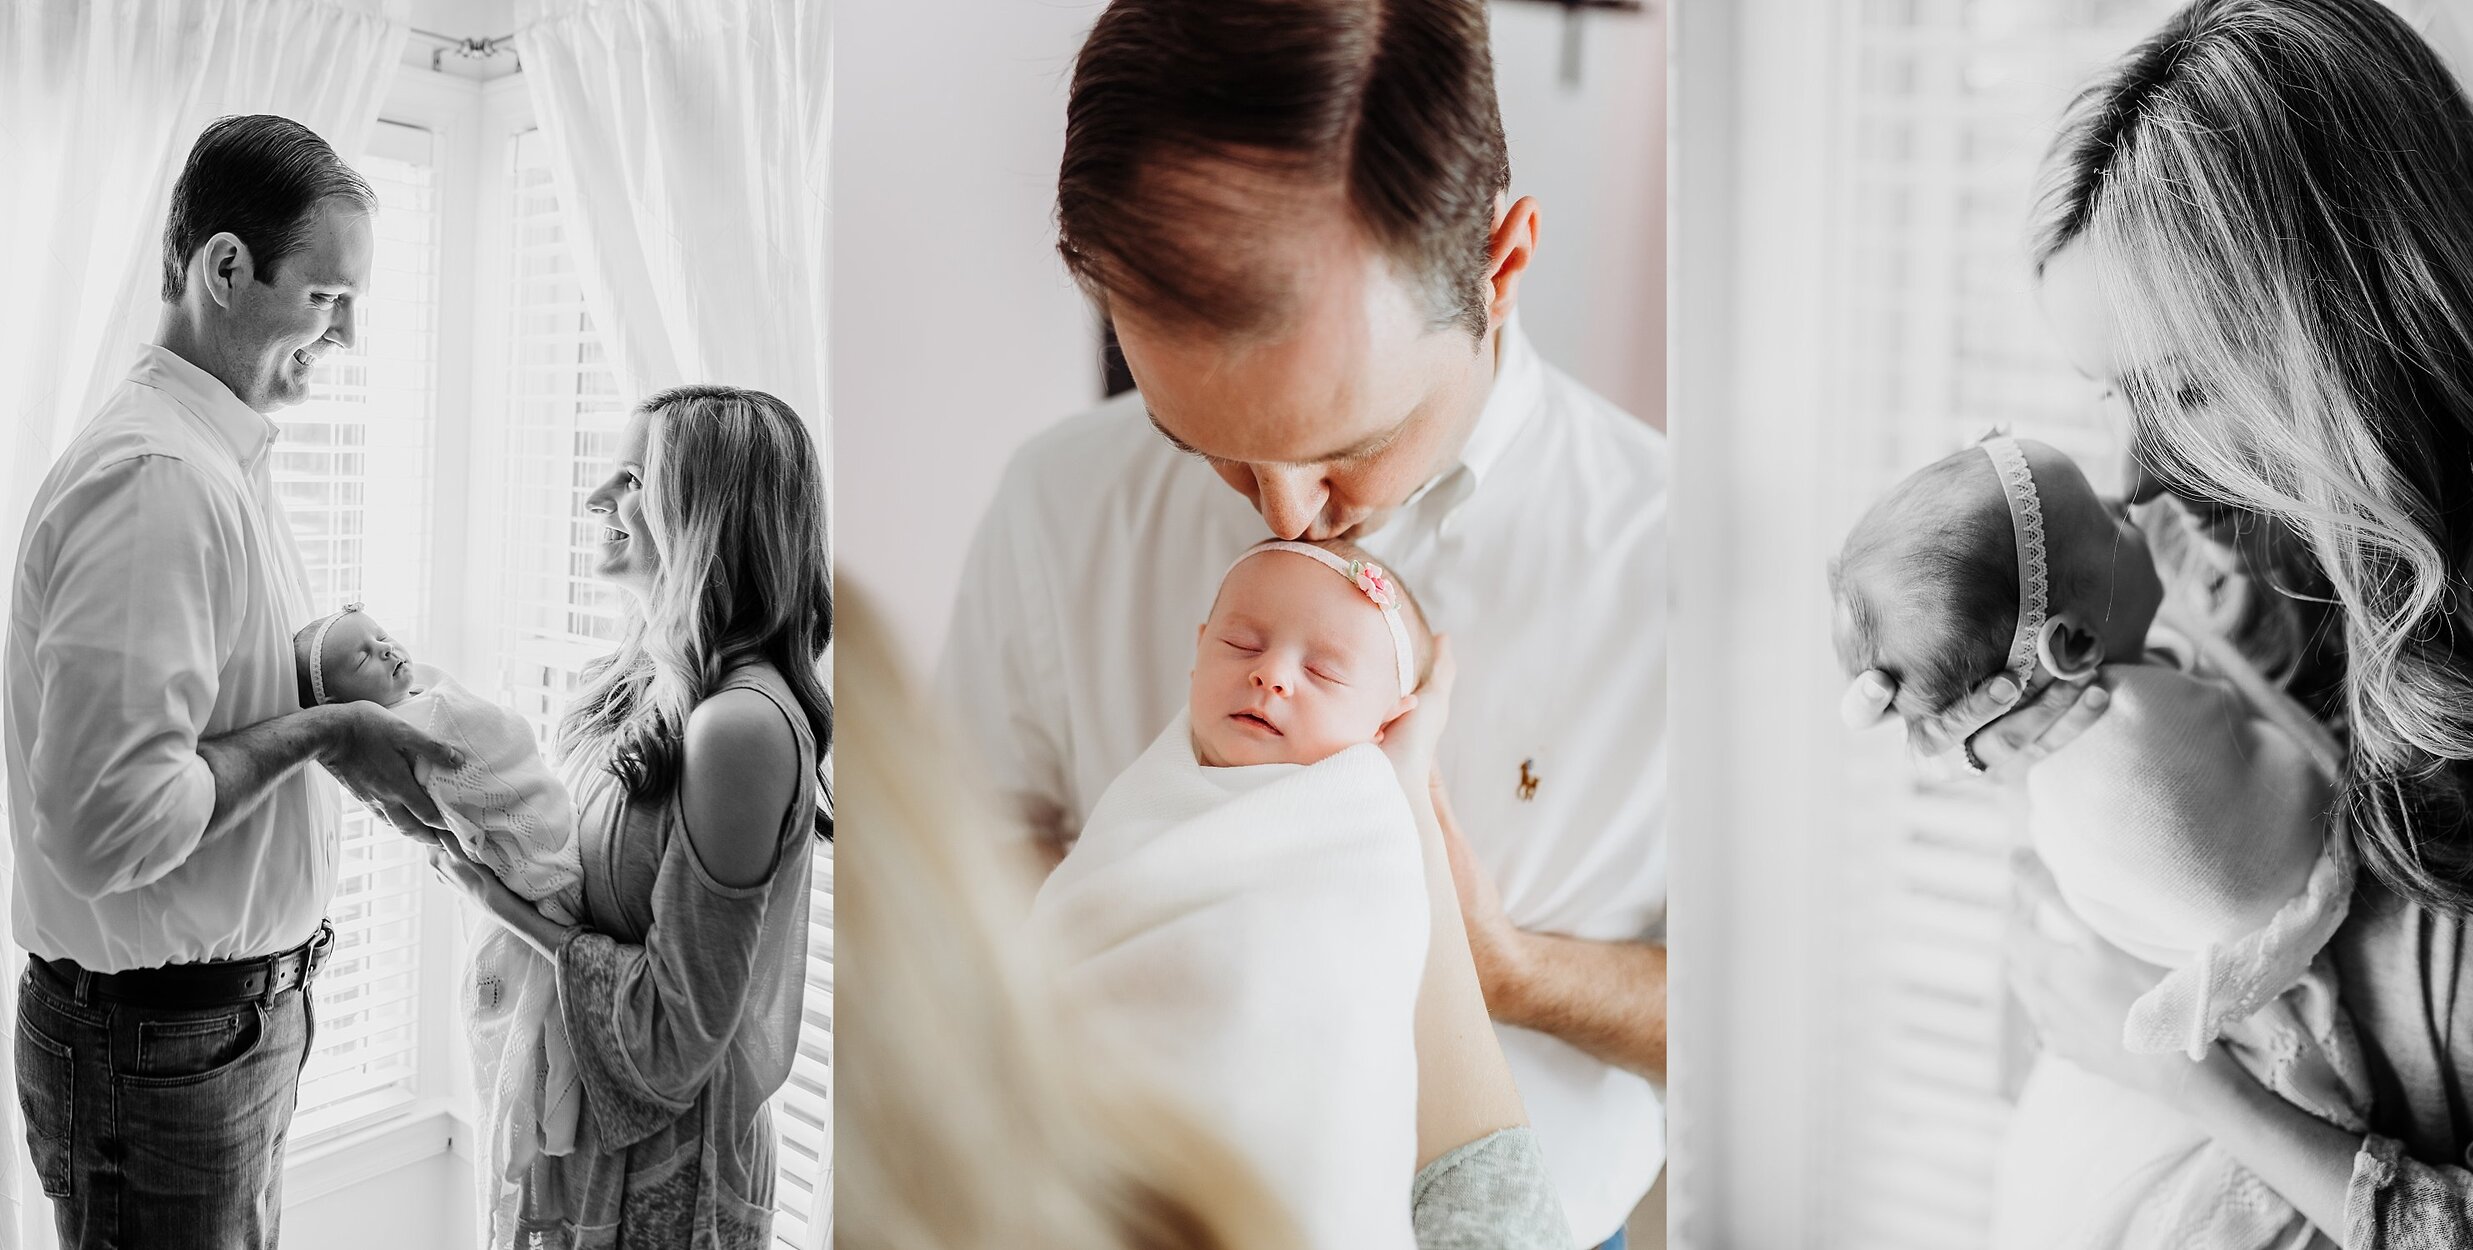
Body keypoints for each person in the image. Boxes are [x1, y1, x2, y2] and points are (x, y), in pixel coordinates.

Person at [941, 4, 1667, 1242]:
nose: (1281, 512)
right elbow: (971, 869)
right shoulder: (1057, 500)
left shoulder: (1687, 565)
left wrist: (1507, 969)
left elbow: (1789, 1016)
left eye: (1351, 445)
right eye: (1200, 442)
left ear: (1501, 264)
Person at [1843, 1, 2473, 1244]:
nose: (2134, 474)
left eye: (2178, 391)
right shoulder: (2218, 606)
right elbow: (2041, 1009)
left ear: (2348, 341)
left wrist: (2186, 1077)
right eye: (2106, 398)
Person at [2, 115, 463, 1249]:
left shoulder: (211, 457)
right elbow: (113, 827)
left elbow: (190, 704)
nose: (347, 332)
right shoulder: (159, 479)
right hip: (164, 1059)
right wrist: (324, 727)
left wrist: (305, 660)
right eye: (327, 296)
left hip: (206, 1045)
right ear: (224, 267)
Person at [840, 570, 1572, 1250]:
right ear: (1197, 653)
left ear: (1389, 722)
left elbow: (1347, 1001)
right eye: (1240, 644)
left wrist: (1403, 777)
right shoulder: (1148, 792)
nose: (1271, 673)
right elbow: (1084, 915)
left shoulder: (1364, 824)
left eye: (1322, 672)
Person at [1832, 436, 2362, 1248]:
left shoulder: (2070, 725)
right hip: (2178, 1103)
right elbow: (2259, 874)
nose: (2130, 502)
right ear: (2074, 646)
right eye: (2107, 522)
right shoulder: (2136, 748)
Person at [427, 385, 830, 1247]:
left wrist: (501, 908)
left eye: (632, 479)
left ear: (708, 512)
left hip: (668, 1176)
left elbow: (676, 1033)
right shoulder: (638, 682)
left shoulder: (739, 727)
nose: (595, 499)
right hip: (588, 1133)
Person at [292, 603, 589, 1191]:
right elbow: (453, 790)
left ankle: (546, 1114)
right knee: (536, 1004)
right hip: (539, 869)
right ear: (347, 708)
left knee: (539, 1003)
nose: (385, 650)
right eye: (363, 657)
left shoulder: (426, 697)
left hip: (539, 853)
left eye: (382, 637)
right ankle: (544, 1115)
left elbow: (486, 762)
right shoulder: (421, 724)